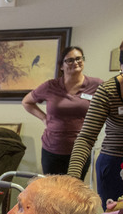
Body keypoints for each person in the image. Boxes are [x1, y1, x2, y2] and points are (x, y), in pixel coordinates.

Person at [68, 36, 123, 203]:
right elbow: (86, 137)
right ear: (121, 68)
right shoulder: (108, 91)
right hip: (115, 165)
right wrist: (71, 179)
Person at [22, 46, 102, 177]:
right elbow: (26, 102)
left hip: (80, 149)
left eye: (78, 59)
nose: (75, 63)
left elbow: (110, 105)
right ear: (61, 66)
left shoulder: (96, 84)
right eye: (69, 60)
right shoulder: (50, 86)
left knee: (74, 191)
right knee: (52, 192)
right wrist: (43, 118)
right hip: (52, 148)